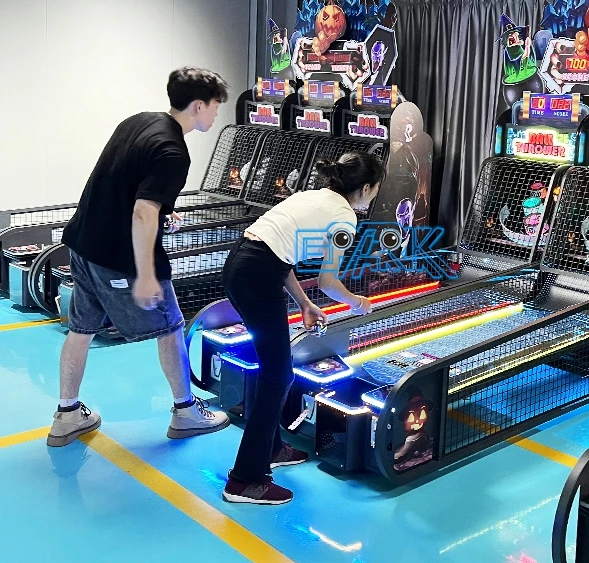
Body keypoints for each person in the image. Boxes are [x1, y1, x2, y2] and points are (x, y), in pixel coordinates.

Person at [47, 67, 232, 447]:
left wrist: (165, 211)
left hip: (83, 244)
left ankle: (67, 414)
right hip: (119, 258)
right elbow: (143, 211)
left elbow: (124, 181)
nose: (216, 114)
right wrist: (146, 274)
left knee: (81, 329)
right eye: (215, 105)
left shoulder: (140, 121)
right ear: (199, 106)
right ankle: (185, 412)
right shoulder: (174, 152)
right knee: (171, 327)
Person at [221, 152, 385, 505]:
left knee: (276, 371)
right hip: (256, 278)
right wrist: (357, 302)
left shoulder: (313, 196)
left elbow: (279, 256)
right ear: (366, 188)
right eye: (375, 190)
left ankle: (273, 449)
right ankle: (245, 480)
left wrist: (304, 304)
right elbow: (328, 281)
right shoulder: (344, 216)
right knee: (277, 376)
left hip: (242, 266)